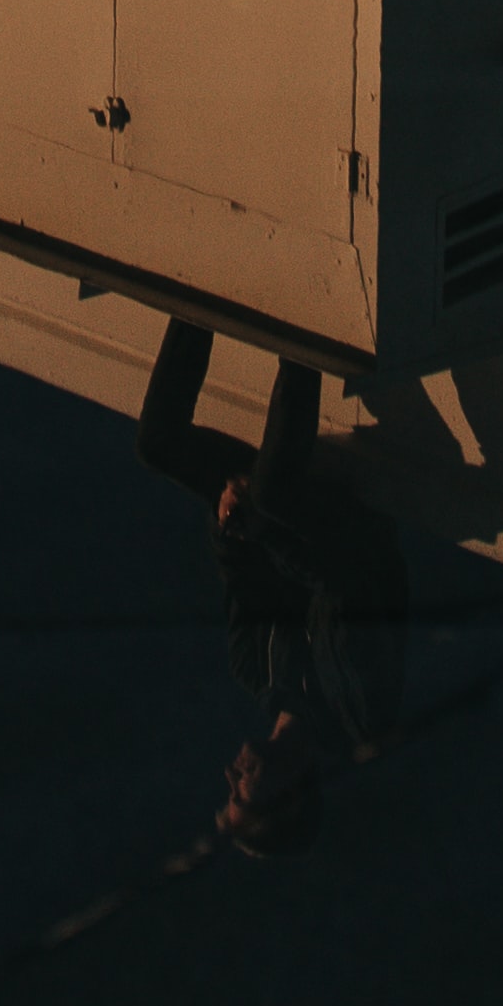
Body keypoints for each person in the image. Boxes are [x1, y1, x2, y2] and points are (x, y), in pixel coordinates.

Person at [136, 316, 404, 849]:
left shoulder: (254, 671)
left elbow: (238, 577)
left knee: (159, 447)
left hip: (272, 519)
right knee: (274, 493)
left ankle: (191, 300)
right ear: (290, 792)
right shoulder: (357, 710)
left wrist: (228, 519)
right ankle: (300, 328)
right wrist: (257, 521)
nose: (231, 777)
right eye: (242, 793)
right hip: (347, 530)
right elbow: (345, 583)